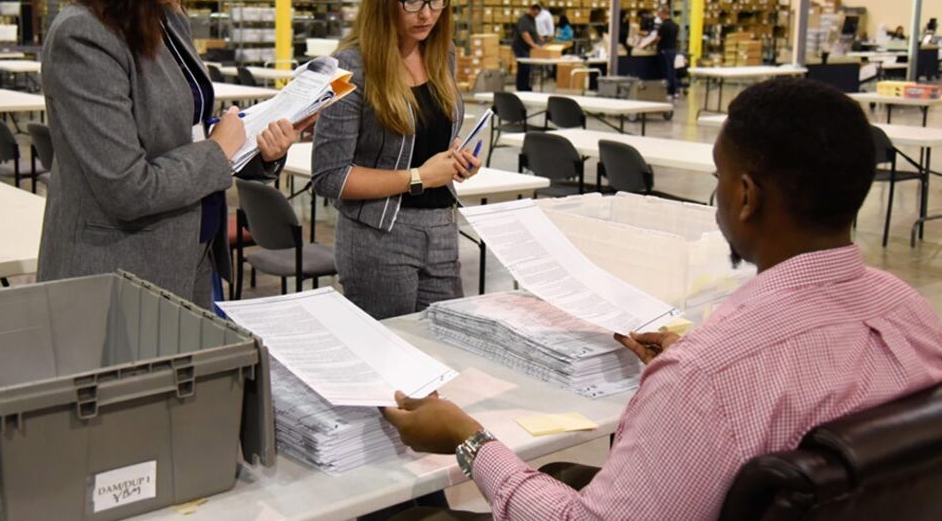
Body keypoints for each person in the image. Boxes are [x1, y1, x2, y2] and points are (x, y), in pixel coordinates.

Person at [381, 78, 942, 520]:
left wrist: (470, 441)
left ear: (745, 196)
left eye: (720, 177)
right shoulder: (912, 314)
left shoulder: (701, 378)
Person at [37, 0, 303, 309]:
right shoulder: (82, 37)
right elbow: (127, 187)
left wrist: (257, 149)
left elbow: (185, 132)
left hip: (190, 253)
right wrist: (218, 152)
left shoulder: (165, 16)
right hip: (120, 272)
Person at [311, 0, 480, 321]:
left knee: (446, 354)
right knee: (389, 361)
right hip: (379, 236)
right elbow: (330, 176)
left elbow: (428, 136)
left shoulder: (442, 55)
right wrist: (419, 177)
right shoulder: (349, 68)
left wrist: (457, 159)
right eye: (413, 1)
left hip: (441, 230)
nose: (427, 13)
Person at [640, 6, 679, 97]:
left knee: (666, 71)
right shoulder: (675, 26)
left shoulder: (663, 26)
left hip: (664, 50)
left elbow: (657, 39)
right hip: (673, 50)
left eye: (659, 14)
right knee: (672, 71)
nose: (659, 17)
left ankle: (668, 92)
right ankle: (674, 91)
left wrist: (648, 44)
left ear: (663, 14)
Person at [510, 4, 541, 91]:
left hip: (527, 48)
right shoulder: (524, 20)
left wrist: (540, 38)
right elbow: (525, 34)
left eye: (537, 13)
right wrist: (533, 45)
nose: (536, 14)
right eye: (534, 12)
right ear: (530, 10)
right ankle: (521, 88)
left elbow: (533, 32)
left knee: (526, 68)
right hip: (521, 47)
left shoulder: (532, 20)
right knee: (524, 67)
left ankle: (525, 86)